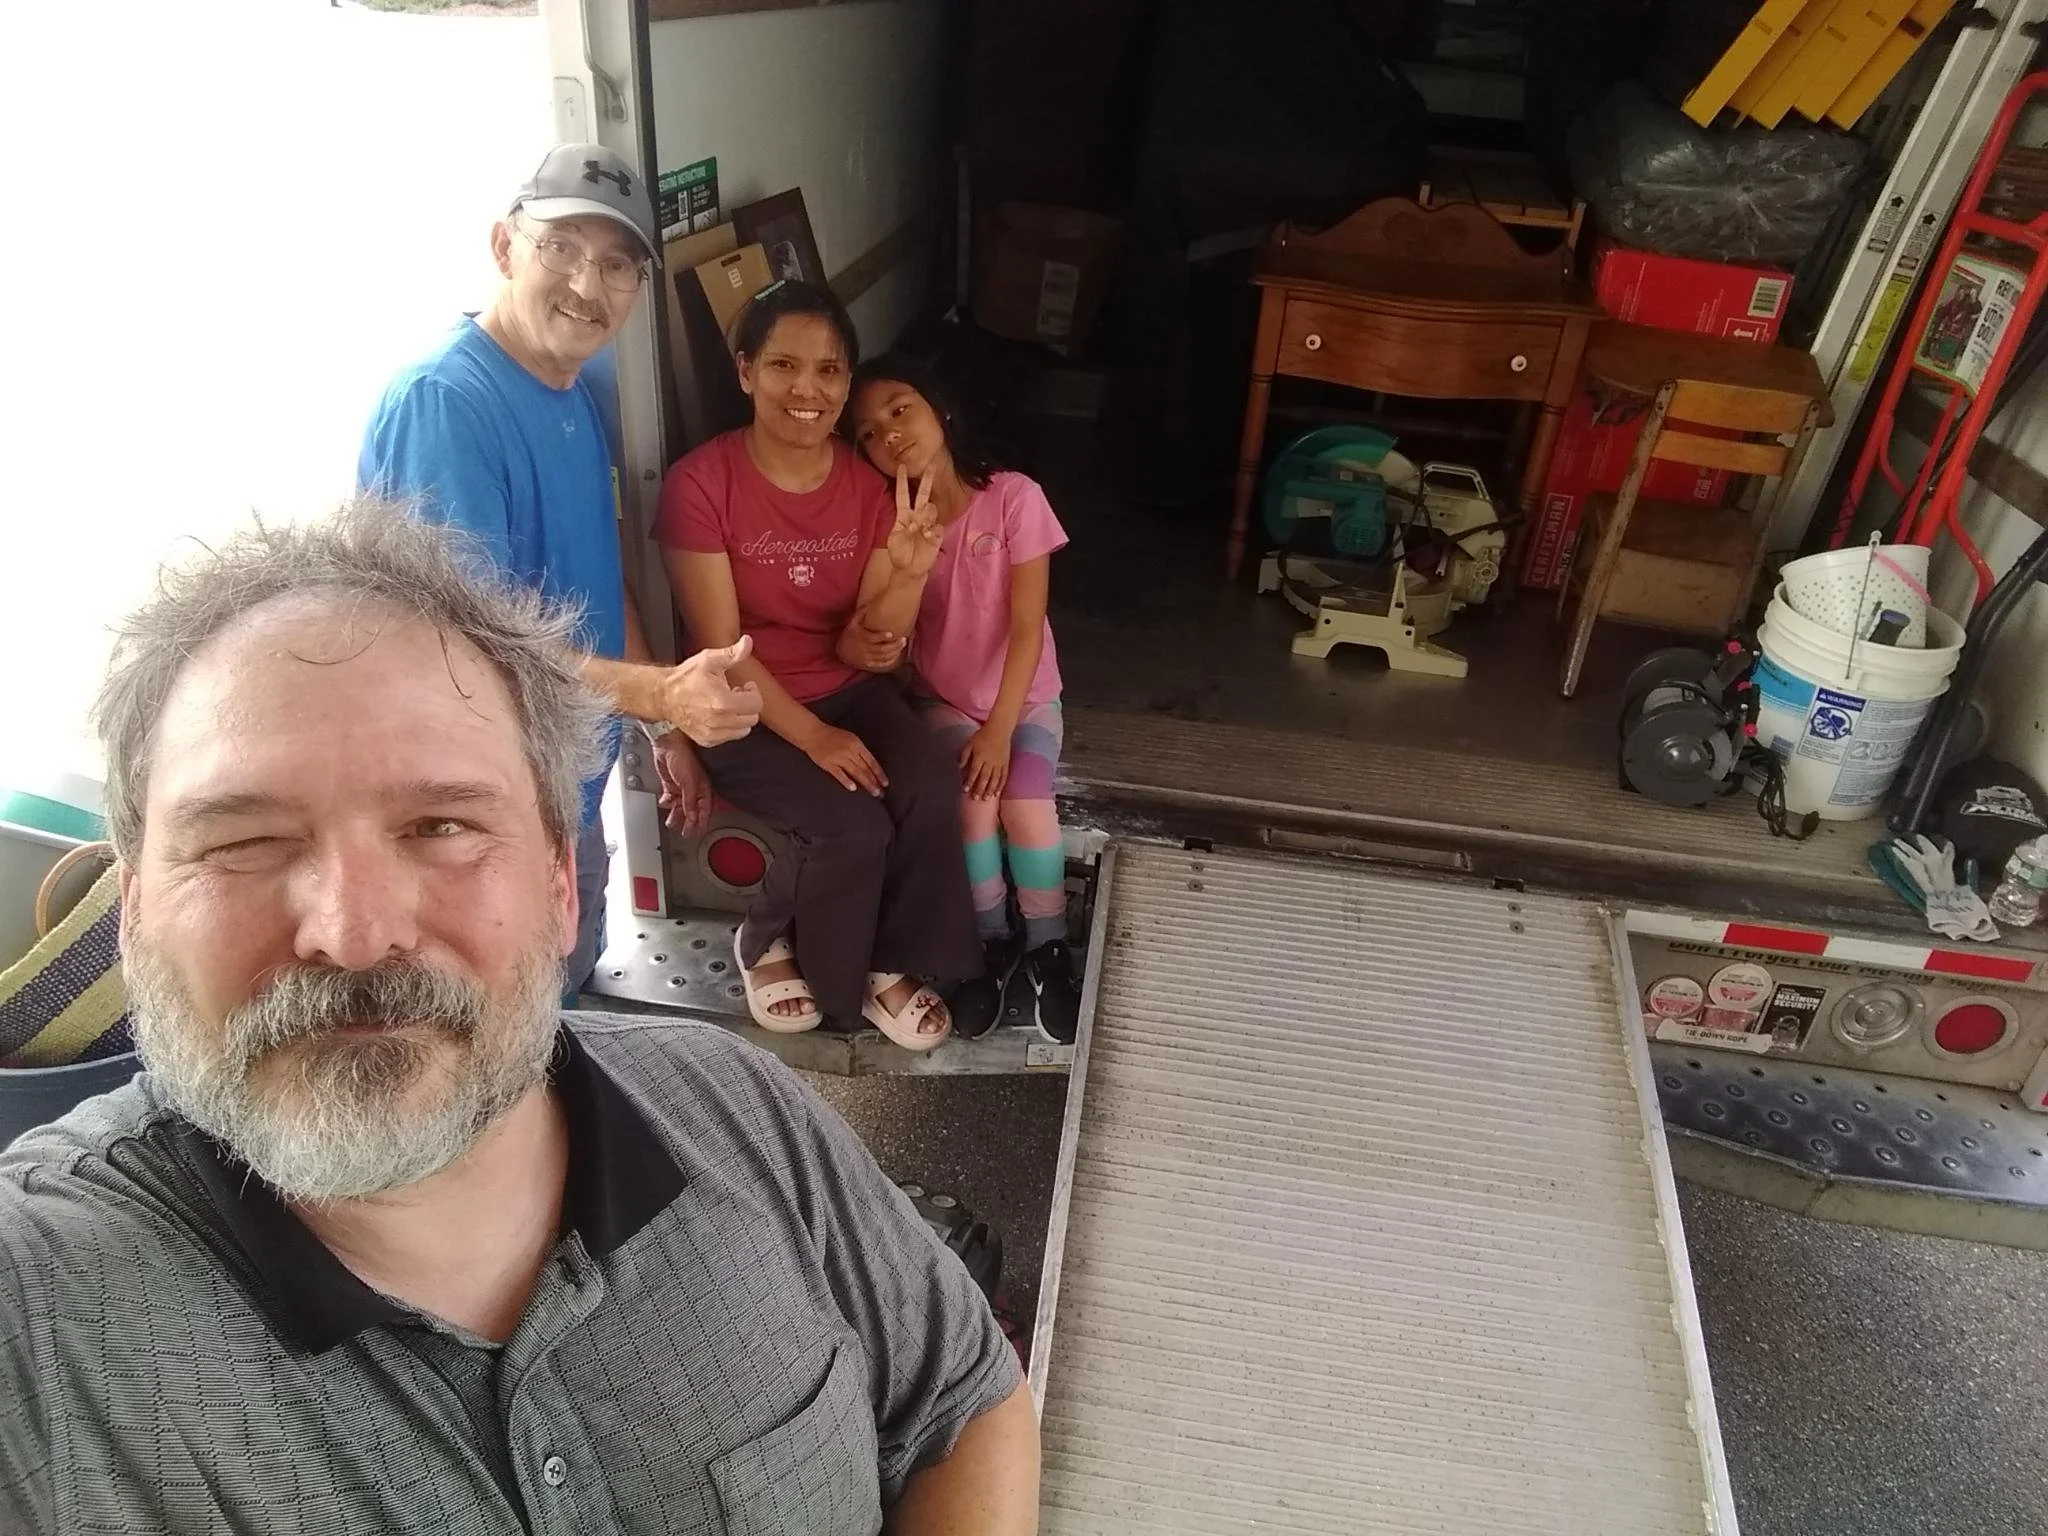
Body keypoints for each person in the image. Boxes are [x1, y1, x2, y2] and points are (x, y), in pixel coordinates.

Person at [0, 503, 1039, 1536]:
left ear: (558, 886)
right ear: (131, 907)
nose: (355, 933)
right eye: (243, 843)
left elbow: (963, 1402)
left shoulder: (736, 1106)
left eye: (442, 825)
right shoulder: (36, 1319)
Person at [359, 142, 759, 997]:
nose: (587, 286)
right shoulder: (449, 404)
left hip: (563, 791)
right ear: (504, 246)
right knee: (502, 1036)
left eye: (616, 264)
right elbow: (468, 647)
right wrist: (660, 695)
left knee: (568, 998)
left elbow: (596, 573)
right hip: (481, 820)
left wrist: (661, 726)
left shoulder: (574, 391)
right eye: (562, 249)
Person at [655, 282, 984, 1046]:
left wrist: (909, 573)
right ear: (745, 372)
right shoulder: (699, 486)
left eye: (830, 371)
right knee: (850, 826)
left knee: (931, 784)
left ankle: (892, 961)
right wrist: (812, 737)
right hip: (737, 705)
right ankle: (767, 941)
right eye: (783, 366)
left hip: (846, 688)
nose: (808, 390)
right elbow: (721, 649)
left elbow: (873, 643)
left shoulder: (869, 485)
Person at [848, 355, 1083, 1043]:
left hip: (1027, 700)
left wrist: (1001, 728)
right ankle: (986, 943)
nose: (889, 434)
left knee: (1027, 803)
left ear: (939, 409)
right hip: (946, 702)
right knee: (972, 808)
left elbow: (1025, 624)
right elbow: (887, 631)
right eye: (867, 432)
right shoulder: (890, 526)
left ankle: (1046, 944)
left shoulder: (1013, 497)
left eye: (900, 409)